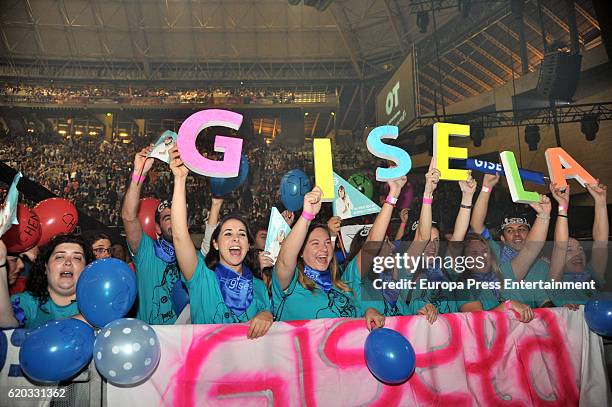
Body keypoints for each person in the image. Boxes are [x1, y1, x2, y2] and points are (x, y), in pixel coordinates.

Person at [169, 147, 272, 338]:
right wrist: (180, 179)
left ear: (248, 244)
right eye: (228, 234)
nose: (235, 238)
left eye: (242, 234)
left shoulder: (259, 286)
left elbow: (269, 324)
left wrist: (267, 315)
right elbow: (180, 236)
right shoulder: (201, 277)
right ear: (215, 244)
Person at [273, 186, 385, 329]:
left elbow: (372, 243)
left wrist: (368, 311)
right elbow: (284, 260)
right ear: (300, 252)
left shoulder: (343, 287)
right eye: (315, 243)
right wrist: (307, 216)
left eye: (327, 242)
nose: (324, 248)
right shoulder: (290, 286)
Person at [121, 145, 188, 325]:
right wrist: (138, 173)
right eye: (168, 217)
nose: (174, 221)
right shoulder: (147, 252)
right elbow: (128, 217)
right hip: (147, 344)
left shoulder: (195, 258)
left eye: (177, 216)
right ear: (157, 228)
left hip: (183, 346)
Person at [470, 173, 551, 307]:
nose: (517, 234)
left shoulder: (543, 265)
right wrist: (486, 188)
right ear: (502, 238)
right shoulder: (495, 254)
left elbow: (546, 299)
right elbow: (476, 225)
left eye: (522, 229)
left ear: (532, 233)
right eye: (509, 231)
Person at [405, 171, 477, 318]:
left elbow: (458, 236)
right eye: (427, 242)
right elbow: (421, 237)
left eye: (436, 241)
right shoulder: (405, 268)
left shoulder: (446, 267)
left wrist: (467, 196)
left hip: (453, 336)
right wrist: (428, 193)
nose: (432, 246)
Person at [0, 234, 94, 329]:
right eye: (59, 257)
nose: (68, 262)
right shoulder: (26, 302)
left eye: (77, 258)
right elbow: (6, 326)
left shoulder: (94, 304)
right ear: (45, 267)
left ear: (86, 269)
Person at [547, 181, 608, 308]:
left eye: (580, 249)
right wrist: (563, 206)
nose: (578, 253)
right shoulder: (555, 282)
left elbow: (600, 242)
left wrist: (600, 202)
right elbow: (560, 246)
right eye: (569, 250)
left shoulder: (591, 276)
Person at [458, 233, 535, 323]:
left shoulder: (503, 276)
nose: (481, 257)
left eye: (485, 251)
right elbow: (480, 321)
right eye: (474, 253)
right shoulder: (463, 287)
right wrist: (507, 305)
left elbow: (531, 250)